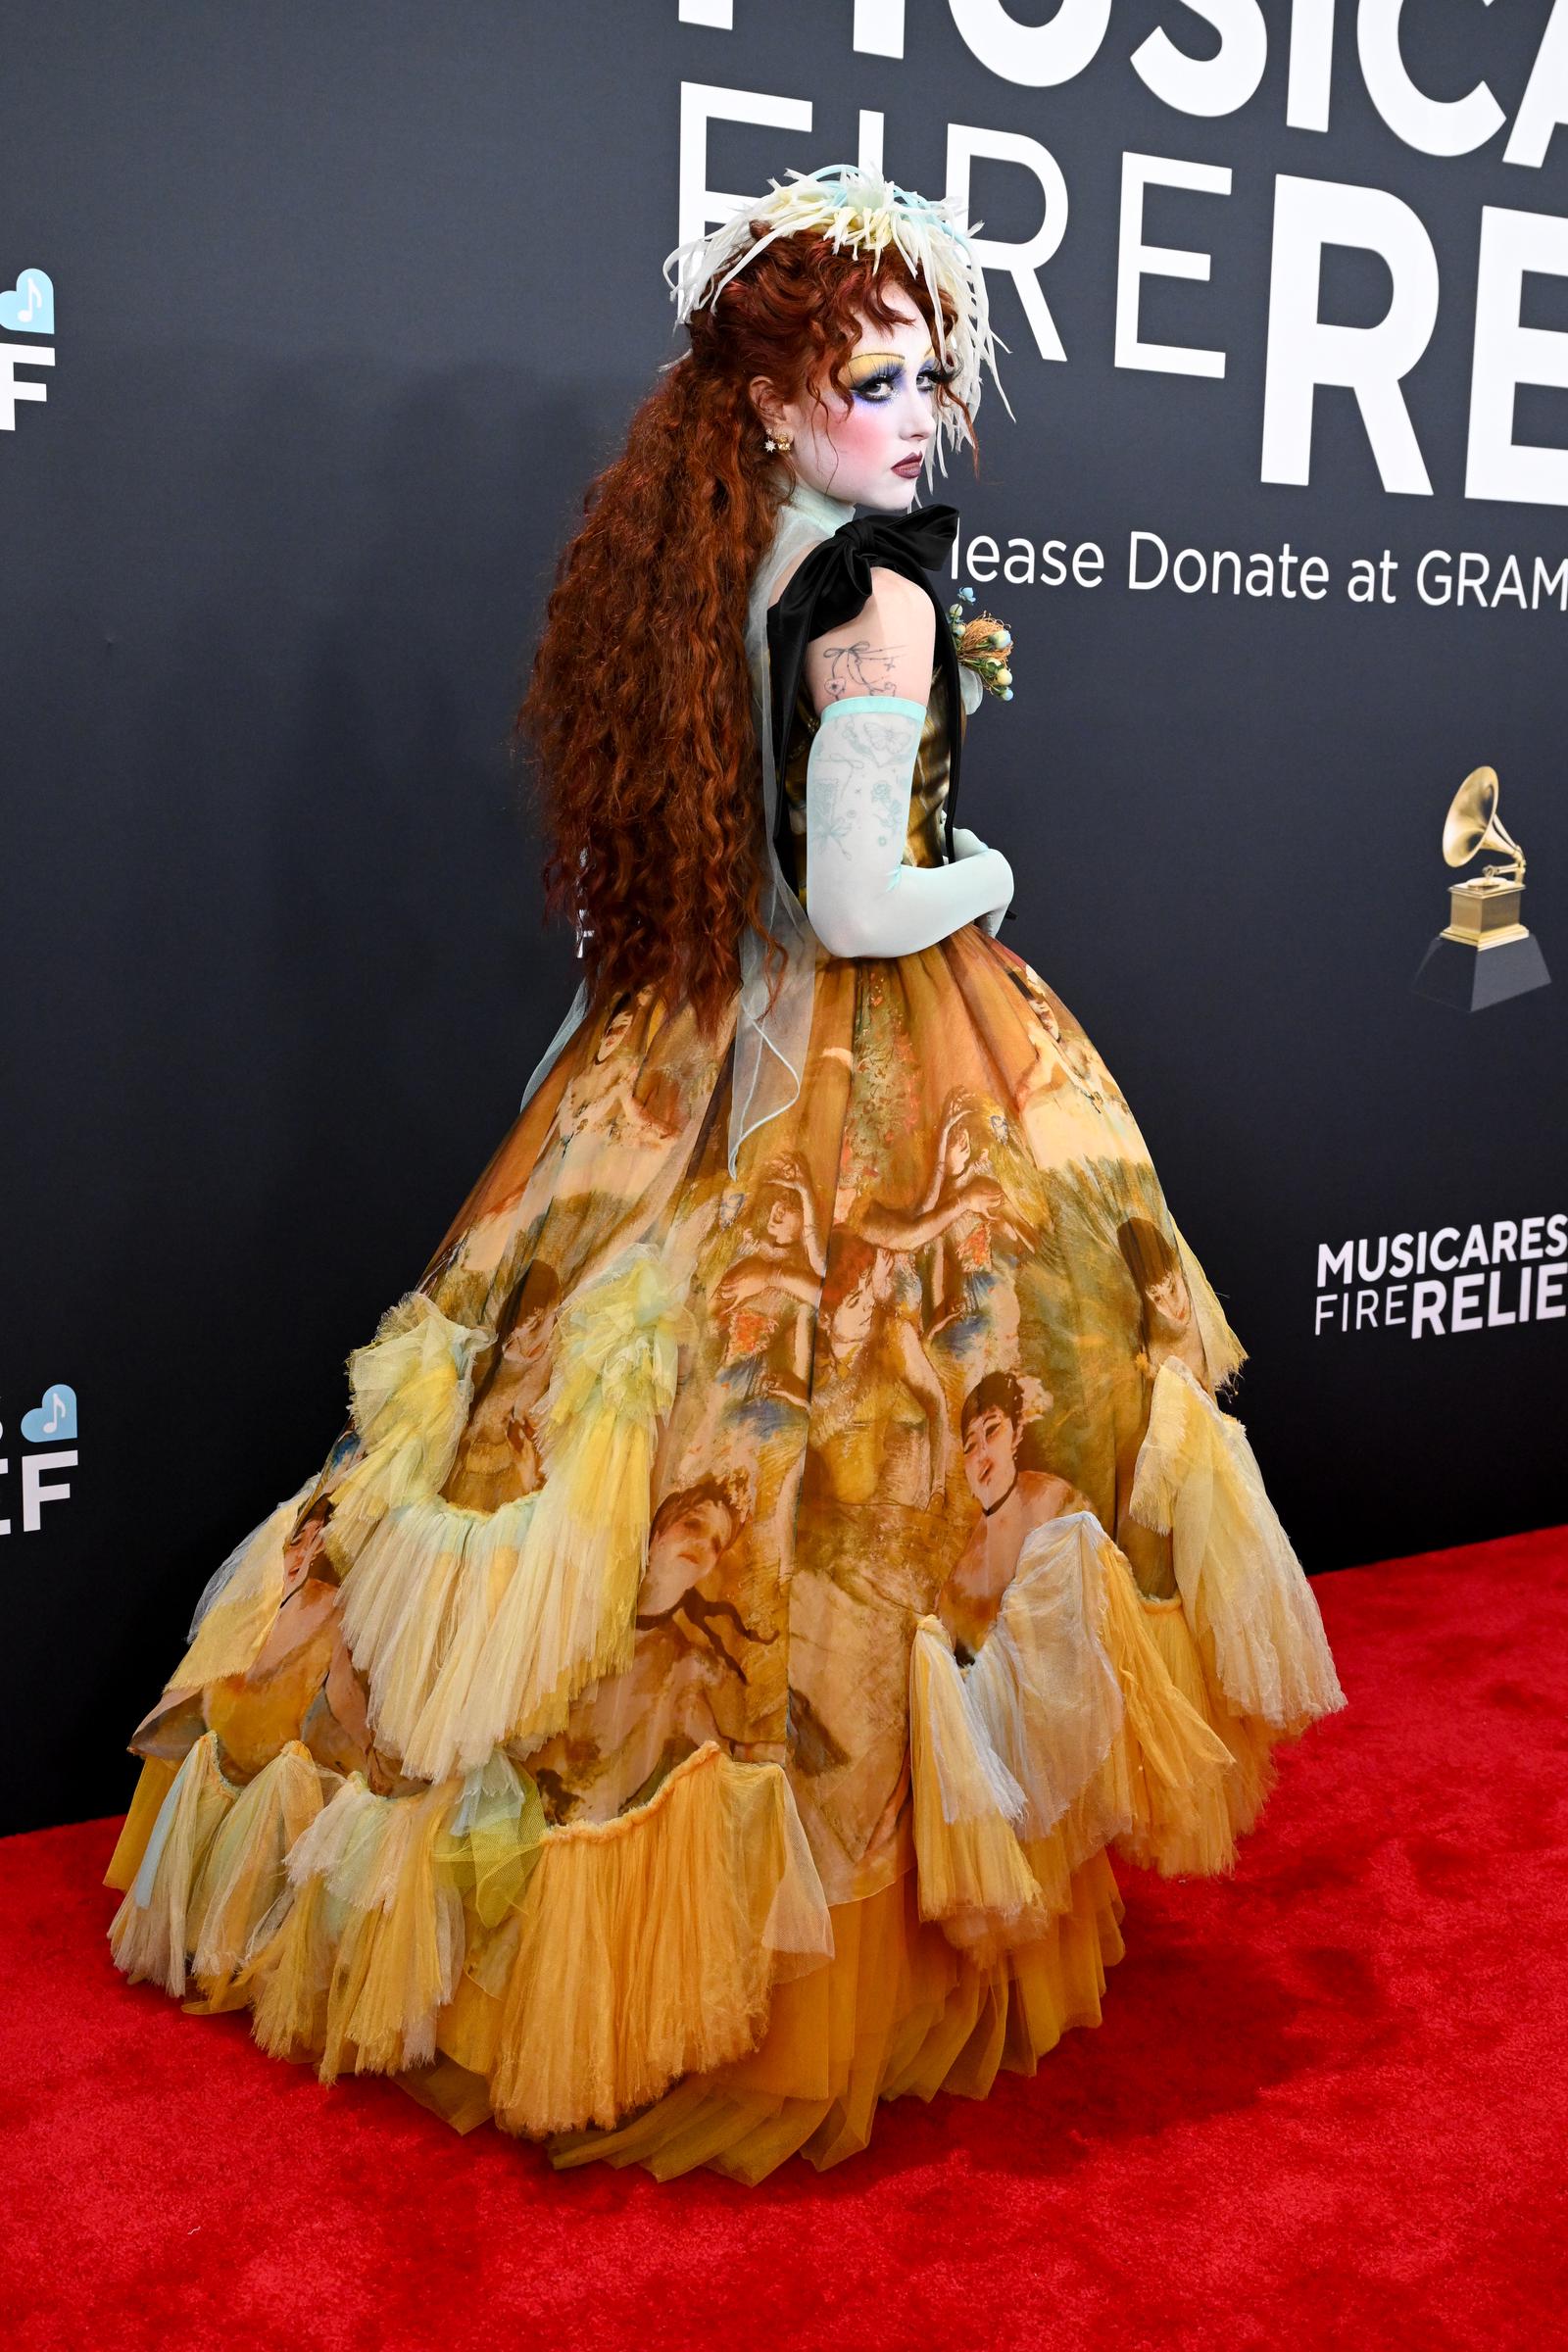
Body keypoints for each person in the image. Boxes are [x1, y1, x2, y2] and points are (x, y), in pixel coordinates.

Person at [102, 165, 1345, 2184]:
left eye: (931, 377)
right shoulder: (872, 589)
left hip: (678, 1056)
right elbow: (857, 903)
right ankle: (796, 1959)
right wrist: (996, 873)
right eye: (874, 380)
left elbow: (670, 897)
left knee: (634, 1475)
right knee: (844, 1487)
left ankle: (493, 1903)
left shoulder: (710, 570)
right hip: (860, 1072)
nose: (916, 414)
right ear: (771, 402)